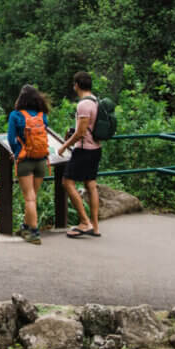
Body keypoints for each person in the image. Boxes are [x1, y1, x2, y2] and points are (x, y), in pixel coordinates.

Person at [56, 71, 102, 238]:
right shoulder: (96, 101)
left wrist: (63, 146)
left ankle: (84, 222)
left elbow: (81, 132)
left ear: (77, 85)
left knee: (67, 183)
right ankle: (95, 227)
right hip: (96, 148)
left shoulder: (83, 104)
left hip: (83, 149)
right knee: (91, 184)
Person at [6, 85, 51, 245]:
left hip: (25, 161)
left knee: (29, 198)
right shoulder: (42, 115)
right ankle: (26, 227)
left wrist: (16, 152)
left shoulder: (15, 115)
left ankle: (33, 232)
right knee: (32, 197)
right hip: (41, 161)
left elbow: (11, 139)